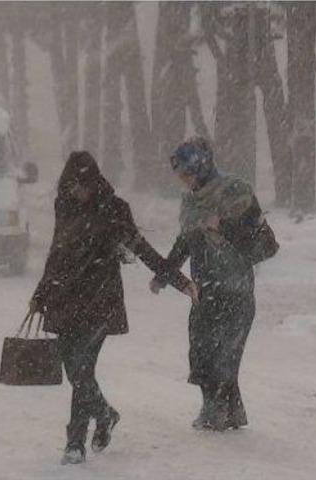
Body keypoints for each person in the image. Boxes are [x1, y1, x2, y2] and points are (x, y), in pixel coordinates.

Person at [29, 151, 198, 464]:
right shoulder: (64, 205)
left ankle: (74, 442)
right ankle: (105, 414)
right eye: (72, 185)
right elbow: (57, 250)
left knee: (82, 370)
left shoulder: (114, 209)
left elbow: (142, 249)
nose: (77, 191)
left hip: (99, 300)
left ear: (93, 182)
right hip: (64, 299)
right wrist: (40, 294)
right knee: (74, 371)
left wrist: (179, 281)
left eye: (81, 185)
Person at [150, 137, 267, 431]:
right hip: (206, 289)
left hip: (236, 287)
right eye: (180, 175)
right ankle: (231, 410)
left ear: (200, 167)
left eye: (186, 173)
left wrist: (223, 226)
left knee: (224, 354)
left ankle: (216, 410)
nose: (184, 180)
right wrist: (164, 273)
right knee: (205, 352)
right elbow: (186, 242)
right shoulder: (193, 202)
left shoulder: (235, 192)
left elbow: (256, 238)